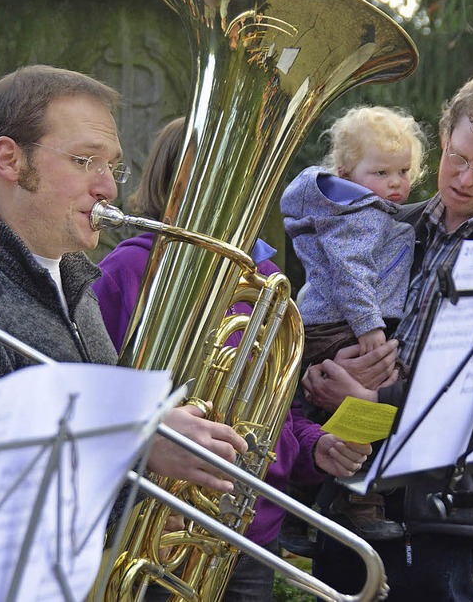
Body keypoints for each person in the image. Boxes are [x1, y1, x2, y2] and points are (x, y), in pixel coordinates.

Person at [0, 64, 252, 504]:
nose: (108, 189)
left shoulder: (77, 282)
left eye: (112, 167)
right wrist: (135, 444)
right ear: (9, 159)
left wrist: (134, 509)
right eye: (85, 161)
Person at [301, 71, 473, 601]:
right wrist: (317, 371)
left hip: (445, 500)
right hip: (352, 481)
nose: (464, 178)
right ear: (444, 136)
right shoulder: (397, 220)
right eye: (456, 156)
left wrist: (374, 400)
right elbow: (326, 311)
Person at [92, 117, 371, 602]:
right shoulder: (126, 271)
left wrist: (313, 448)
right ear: (173, 184)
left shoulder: (263, 278)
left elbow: (275, 417)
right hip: (151, 531)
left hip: (247, 537)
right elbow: (94, 406)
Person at [280, 105, 428, 543]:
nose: (396, 182)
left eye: (403, 170)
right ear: (346, 172)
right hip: (343, 322)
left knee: (347, 403)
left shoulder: (368, 209)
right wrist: (370, 330)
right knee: (379, 398)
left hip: (338, 319)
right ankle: (356, 498)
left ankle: (303, 500)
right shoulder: (360, 214)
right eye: (381, 172)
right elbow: (351, 272)